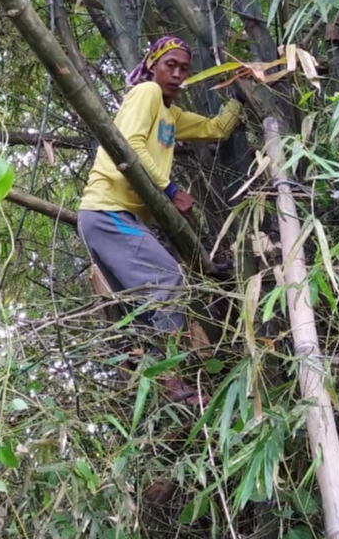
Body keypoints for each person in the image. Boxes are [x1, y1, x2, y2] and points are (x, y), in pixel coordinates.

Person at [78, 36, 243, 403]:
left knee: (144, 307)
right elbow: (130, 145)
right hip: (107, 211)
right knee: (167, 280)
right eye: (171, 65)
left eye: (184, 68)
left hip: (118, 218)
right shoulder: (147, 92)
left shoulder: (171, 115)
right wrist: (170, 190)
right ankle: (171, 379)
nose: (178, 74)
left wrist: (239, 96)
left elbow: (216, 128)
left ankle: (157, 384)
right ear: (153, 64)